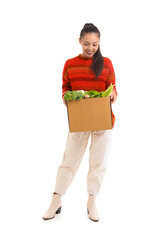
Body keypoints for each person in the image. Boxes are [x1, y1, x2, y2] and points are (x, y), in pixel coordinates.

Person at [42, 23, 117, 222]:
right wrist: (70, 97)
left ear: (99, 43)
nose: (91, 48)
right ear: (79, 41)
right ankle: (56, 199)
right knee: (69, 161)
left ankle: (91, 201)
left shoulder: (106, 63)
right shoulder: (70, 64)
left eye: (95, 44)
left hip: (102, 121)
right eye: (86, 44)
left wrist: (112, 95)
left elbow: (113, 88)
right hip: (79, 119)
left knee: (98, 163)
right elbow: (65, 90)